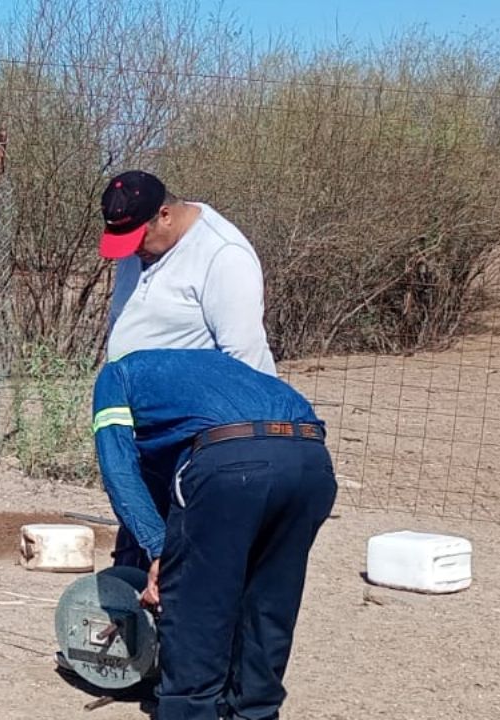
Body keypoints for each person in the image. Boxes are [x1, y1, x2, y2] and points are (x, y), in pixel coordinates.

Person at [91, 348, 336, 720]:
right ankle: (256, 711)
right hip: (311, 461)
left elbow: (120, 471)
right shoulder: (218, 372)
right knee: (268, 604)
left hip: (231, 464)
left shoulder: (116, 377)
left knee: (196, 609)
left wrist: (160, 551)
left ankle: (190, 710)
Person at [99, 170, 277, 568]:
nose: (132, 252)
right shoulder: (143, 248)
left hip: (194, 438)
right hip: (148, 431)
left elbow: (244, 360)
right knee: (137, 548)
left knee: (183, 559)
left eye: (137, 240)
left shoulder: (223, 255)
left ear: (164, 215)